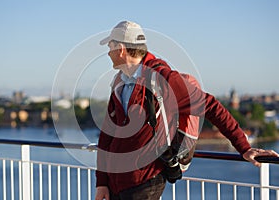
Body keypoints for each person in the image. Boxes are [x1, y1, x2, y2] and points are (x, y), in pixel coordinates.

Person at [95, 21, 279, 200]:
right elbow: (107, 135)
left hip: (144, 181)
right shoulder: (120, 82)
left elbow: (211, 106)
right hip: (115, 184)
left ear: (120, 49)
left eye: (110, 46)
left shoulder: (162, 80)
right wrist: (102, 182)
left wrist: (243, 147)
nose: (108, 53)